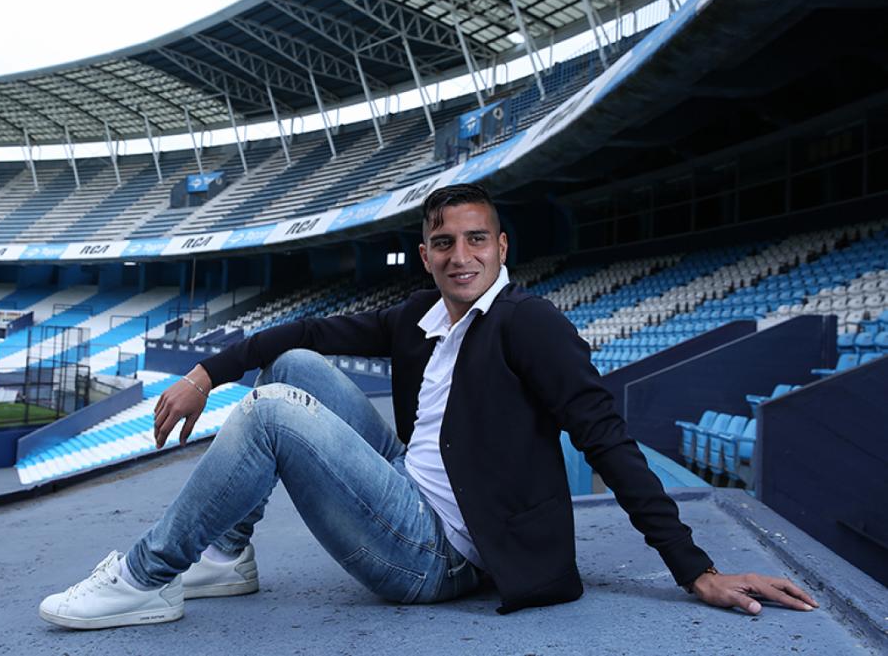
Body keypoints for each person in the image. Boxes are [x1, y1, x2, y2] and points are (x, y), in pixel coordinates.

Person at [39, 183, 818, 629]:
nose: (460, 255)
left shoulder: (530, 322)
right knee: (294, 358)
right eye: (443, 242)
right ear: (425, 254)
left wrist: (698, 570)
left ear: (503, 246)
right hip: (409, 485)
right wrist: (207, 369)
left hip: (439, 552)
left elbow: (607, 439)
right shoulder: (420, 315)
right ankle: (229, 554)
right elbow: (307, 325)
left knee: (272, 410)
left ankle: (146, 577)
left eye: (477, 239)